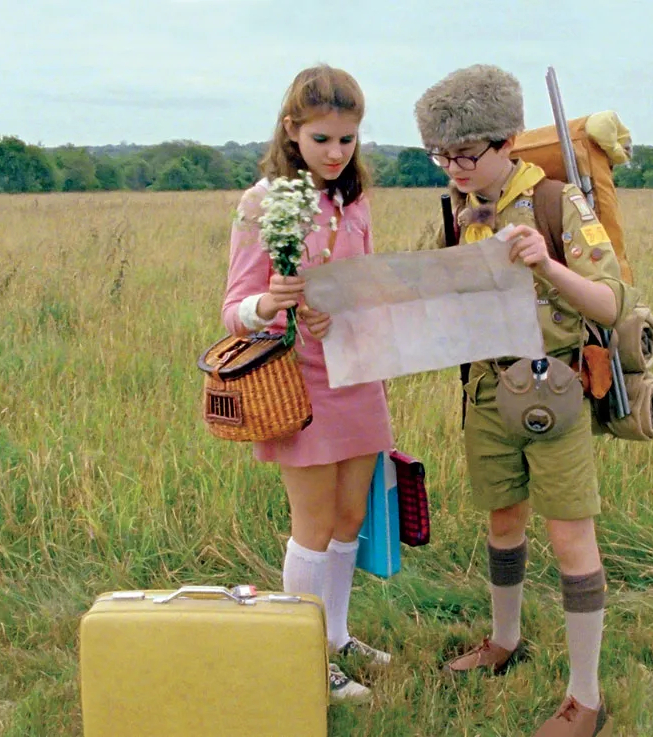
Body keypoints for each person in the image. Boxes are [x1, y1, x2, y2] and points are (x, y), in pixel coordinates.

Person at [414, 64, 622, 736]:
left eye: (466, 155)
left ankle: (584, 698)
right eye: (441, 156)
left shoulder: (559, 204)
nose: (454, 168)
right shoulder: (459, 211)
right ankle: (504, 642)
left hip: (551, 389)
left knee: (570, 539)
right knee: (503, 522)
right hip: (484, 392)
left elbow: (610, 303)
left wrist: (546, 263)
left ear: (506, 141)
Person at [222, 64, 393, 703]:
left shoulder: (356, 200)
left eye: (347, 140)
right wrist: (275, 301)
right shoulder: (263, 200)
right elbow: (234, 308)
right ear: (292, 130)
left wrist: (351, 305)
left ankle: (338, 635)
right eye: (322, 139)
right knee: (314, 524)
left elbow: (367, 285)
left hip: (359, 371)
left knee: (351, 517)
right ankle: (304, 654)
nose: (336, 152)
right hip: (300, 380)